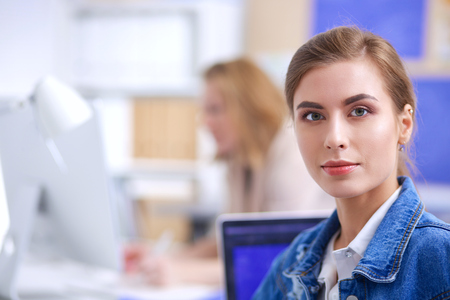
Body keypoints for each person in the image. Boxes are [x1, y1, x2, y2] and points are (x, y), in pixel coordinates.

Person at [253, 26, 450, 299]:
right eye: (313, 116)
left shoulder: (442, 260)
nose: (334, 139)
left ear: (404, 124)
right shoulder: (293, 261)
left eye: (359, 111)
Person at [124, 58, 334, 286]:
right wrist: (163, 258)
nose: (205, 122)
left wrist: (181, 271)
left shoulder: (292, 155)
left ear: (249, 107)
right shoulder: (240, 160)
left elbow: (277, 260)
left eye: (215, 110)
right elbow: (224, 242)